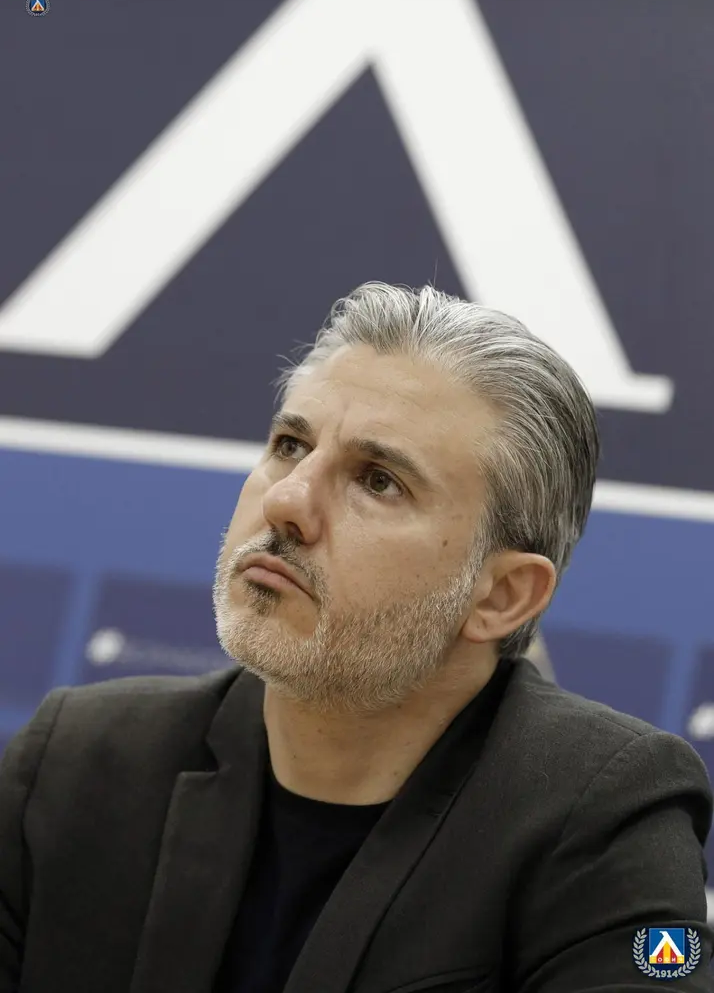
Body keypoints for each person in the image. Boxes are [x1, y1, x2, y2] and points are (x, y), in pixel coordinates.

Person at [0, 281, 711, 993]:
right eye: (289, 445)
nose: (287, 501)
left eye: (378, 481)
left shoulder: (602, 820)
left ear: (501, 596)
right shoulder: (73, 763)